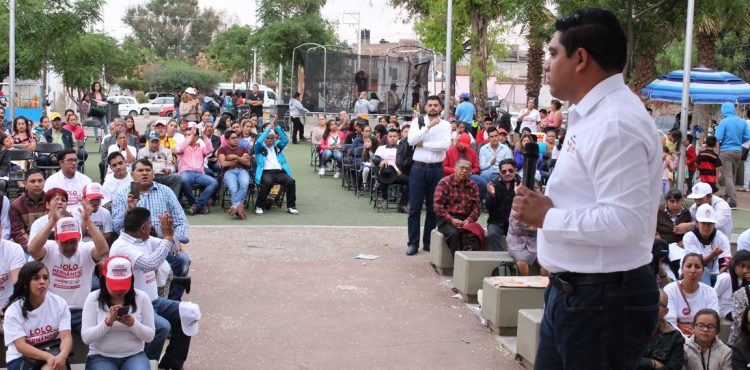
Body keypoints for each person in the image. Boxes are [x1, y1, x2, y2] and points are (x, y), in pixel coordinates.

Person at [511, 9, 662, 367]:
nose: (546, 64)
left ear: (580, 58)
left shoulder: (616, 123)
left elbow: (626, 222)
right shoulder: (590, 114)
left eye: (552, 54)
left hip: (602, 301)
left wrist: (548, 216)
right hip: (576, 296)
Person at [109, 208, 191, 369]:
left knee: (187, 313)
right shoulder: (121, 246)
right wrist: (167, 238)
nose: (152, 227)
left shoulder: (142, 239)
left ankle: (171, 363)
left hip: (154, 301)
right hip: (136, 304)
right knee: (162, 327)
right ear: (143, 228)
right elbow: (150, 262)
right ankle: (146, 364)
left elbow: (172, 248)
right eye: (149, 224)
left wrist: (170, 233)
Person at [27, 206, 109, 334]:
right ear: (56, 237)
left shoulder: (86, 249)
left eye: (73, 241)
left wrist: (88, 222)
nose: (70, 246)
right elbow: (32, 250)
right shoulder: (49, 248)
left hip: (81, 310)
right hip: (52, 310)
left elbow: (103, 250)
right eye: (65, 242)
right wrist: (51, 222)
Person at [81, 255, 154, 370]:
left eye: (124, 286)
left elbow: (150, 336)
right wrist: (107, 323)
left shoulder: (142, 297)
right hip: (101, 356)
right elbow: (86, 338)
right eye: (115, 286)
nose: (119, 291)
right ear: (105, 280)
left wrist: (132, 324)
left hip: (134, 355)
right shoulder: (93, 298)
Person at [2, 261, 72, 370]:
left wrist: (62, 356)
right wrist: (47, 357)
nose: (42, 282)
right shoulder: (13, 310)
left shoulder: (59, 303)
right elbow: (21, 346)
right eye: (36, 278)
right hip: (21, 356)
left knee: (54, 367)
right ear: (25, 282)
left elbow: (66, 336)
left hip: (51, 350)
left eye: (45, 278)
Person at [406, 95, 451, 256]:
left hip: (437, 169)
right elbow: (411, 141)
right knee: (415, 208)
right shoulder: (417, 122)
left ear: (440, 108)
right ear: (426, 107)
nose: (433, 108)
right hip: (418, 169)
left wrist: (424, 144)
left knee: (434, 209)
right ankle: (412, 243)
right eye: (430, 105)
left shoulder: (446, 125)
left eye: (436, 105)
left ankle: (428, 242)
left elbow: (445, 145)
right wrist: (428, 126)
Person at [433, 158, 482, 255]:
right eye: (462, 168)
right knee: (454, 234)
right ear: (455, 168)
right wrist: (452, 220)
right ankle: (458, 263)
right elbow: (437, 206)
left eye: (467, 169)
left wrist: (469, 220)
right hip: (447, 219)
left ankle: (470, 261)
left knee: (474, 235)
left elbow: (477, 207)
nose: (464, 171)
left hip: (466, 218)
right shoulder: (444, 183)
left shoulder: (473, 185)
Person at [664, 253, 719, 336]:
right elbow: (670, 322)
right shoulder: (670, 289)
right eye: (689, 266)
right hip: (675, 338)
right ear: (682, 269)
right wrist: (685, 340)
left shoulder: (710, 292)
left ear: (703, 271)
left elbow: (712, 320)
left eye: (697, 267)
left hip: (702, 336)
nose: (693, 270)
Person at [253, 123, 298, 215]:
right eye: (267, 138)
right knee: (267, 182)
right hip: (265, 173)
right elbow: (258, 141)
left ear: (275, 139)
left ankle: (291, 206)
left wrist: (277, 126)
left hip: (279, 172)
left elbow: (285, 140)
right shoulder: (259, 147)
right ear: (264, 138)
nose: (270, 140)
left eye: (272, 138)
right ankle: (259, 206)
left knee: (291, 181)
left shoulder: (277, 146)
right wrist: (267, 130)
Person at [682, 204, 731, 286]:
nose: (706, 226)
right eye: (703, 223)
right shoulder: (689, 237)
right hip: (692, 273)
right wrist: (713, 254)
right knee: (704, 271)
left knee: (726, 277)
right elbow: (698, 264)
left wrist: (719, 278)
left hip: (716, 274)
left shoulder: (721, 237)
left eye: (709, 223)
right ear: (697, 224)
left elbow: (726, 262)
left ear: (714, 224)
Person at [637, 289, 686, 370]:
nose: (654, 307)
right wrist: (652, 363)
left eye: (659, 304)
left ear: (666, 312)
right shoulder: (626, 329)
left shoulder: (675, 337)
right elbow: (619, 360)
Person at [715, 102, 750, 208]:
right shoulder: (742, 121)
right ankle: (726, 195)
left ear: (724, 110)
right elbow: (747, 136)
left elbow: (718, 137)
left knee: (728, 176)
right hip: (738, 151)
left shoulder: (724, 122)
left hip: (726, 151)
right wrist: (739, 141)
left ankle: (733, 200)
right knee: (732, 175)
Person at [176, 124, 216, 215]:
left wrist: (204, 135)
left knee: (213, 182)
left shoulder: (201, 148)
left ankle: (197, 205)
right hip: (185, 172)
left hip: (199, 173)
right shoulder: (182, 147)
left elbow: (210, 149)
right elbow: (179, 149)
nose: (187, 136)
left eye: (190, 134)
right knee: (183, 180)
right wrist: (190, 136)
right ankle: (196, 205)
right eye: (186, 135)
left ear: (196, 137)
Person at [9, 168, 46, 251]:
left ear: (44, 182)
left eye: (40, 181)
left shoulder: (51, 201)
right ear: (25, 183)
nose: (37, 184)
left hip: (49, 245)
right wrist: (31, 248)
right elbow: (18, 233)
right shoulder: (16, 206)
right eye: (32, 181)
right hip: (27, 247)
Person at [137, 131, 181, 199]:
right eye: (152, 142)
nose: (154, 144)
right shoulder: (142, 152)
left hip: (163, 175)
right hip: (149, 176)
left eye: (156, 142)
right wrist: (149, 172)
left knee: (177, 177)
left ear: (160, 141)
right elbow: (139, 167)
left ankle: (173, 200)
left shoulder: (166, 151)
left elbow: (172, 166)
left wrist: (168, 170)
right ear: (148, 141)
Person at [218, 130, 252, 219]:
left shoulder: (243, 148)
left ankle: (234, 207)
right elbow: (223, 164)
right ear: (226, 140)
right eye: (232, 138)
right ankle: (238, 207)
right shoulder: (222, 149)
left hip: (242, 170)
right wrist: (240, 160)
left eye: (236, 138)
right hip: (229, 172)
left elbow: (248, 163)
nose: (235, 139)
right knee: (233, 189)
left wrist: (235, 157)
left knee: (244, 184)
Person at [485, 159, 518, 252]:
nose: (507, 173)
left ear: (515, 170)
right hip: (497, 221)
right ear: (500, 172)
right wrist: (492, 196)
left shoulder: (521, 183)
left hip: (515, 222)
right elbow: (488, 207)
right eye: (504, 171)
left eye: (510, 170)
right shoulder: (493, 184)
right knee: (492, 233)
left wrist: (518, 194)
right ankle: (502, 258)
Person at [372, 129, 408, 210]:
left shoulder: (402, 149)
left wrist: (402, 170)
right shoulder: (381, 148)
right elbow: (375, 160)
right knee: (384, 173)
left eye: (394, 136)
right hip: (386, 173)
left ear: (398, 137)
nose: (392, 138)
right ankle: (385, 198)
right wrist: (381, 160)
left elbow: (406, 162)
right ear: (387, 138)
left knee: (412, 181)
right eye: (390, 136)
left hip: (399, 174)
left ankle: (403, 204)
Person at [443, 133, 485, 198]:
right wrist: (457, 171)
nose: (463, 147)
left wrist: (470, 172)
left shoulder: (473, 152)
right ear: (458, 141)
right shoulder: (449, 151)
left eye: (465, 145)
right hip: (454, 176)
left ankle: (478, 200)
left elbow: (477, 168)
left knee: (482, 183)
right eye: (461, 145)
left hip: (469, 176)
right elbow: (444, 167)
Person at [714, 250, 750, 320]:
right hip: (726, 309)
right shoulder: (725, 278)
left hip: (743, 308)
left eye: (749, 267)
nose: (745, 270)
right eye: (741, 266)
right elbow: (714, 296)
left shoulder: (746, 278)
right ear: (734, 264)